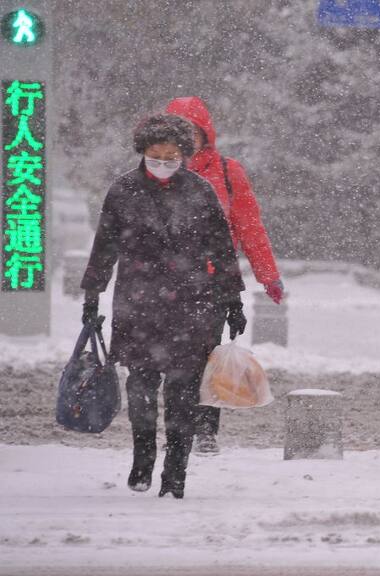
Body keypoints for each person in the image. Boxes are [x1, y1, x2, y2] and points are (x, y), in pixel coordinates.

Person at [80, 114, 246, 499]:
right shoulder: (122, 191)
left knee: (184, 393)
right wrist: (92, 295)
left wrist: (232, 299)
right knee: (140, 386)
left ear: (184, 156)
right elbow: (104, 247)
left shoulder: (200, 191)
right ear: (143, 153)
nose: (164, 162)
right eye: (156, 155)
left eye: (172, 156)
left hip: (192, 304)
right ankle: (143, 456)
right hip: (138, 304)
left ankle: (176, 473)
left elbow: (221, 250)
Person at [166, 96, 283, 454]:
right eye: (177, 131)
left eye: (192, 132)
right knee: (171, 359)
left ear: (205, 135)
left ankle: (204, 429)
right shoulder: (156, 172)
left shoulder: (229, 173)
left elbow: (249, 227)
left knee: (207, 358)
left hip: (213, 283)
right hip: (166, 284)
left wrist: (269, 276)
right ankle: (175, 426)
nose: (185, 139)